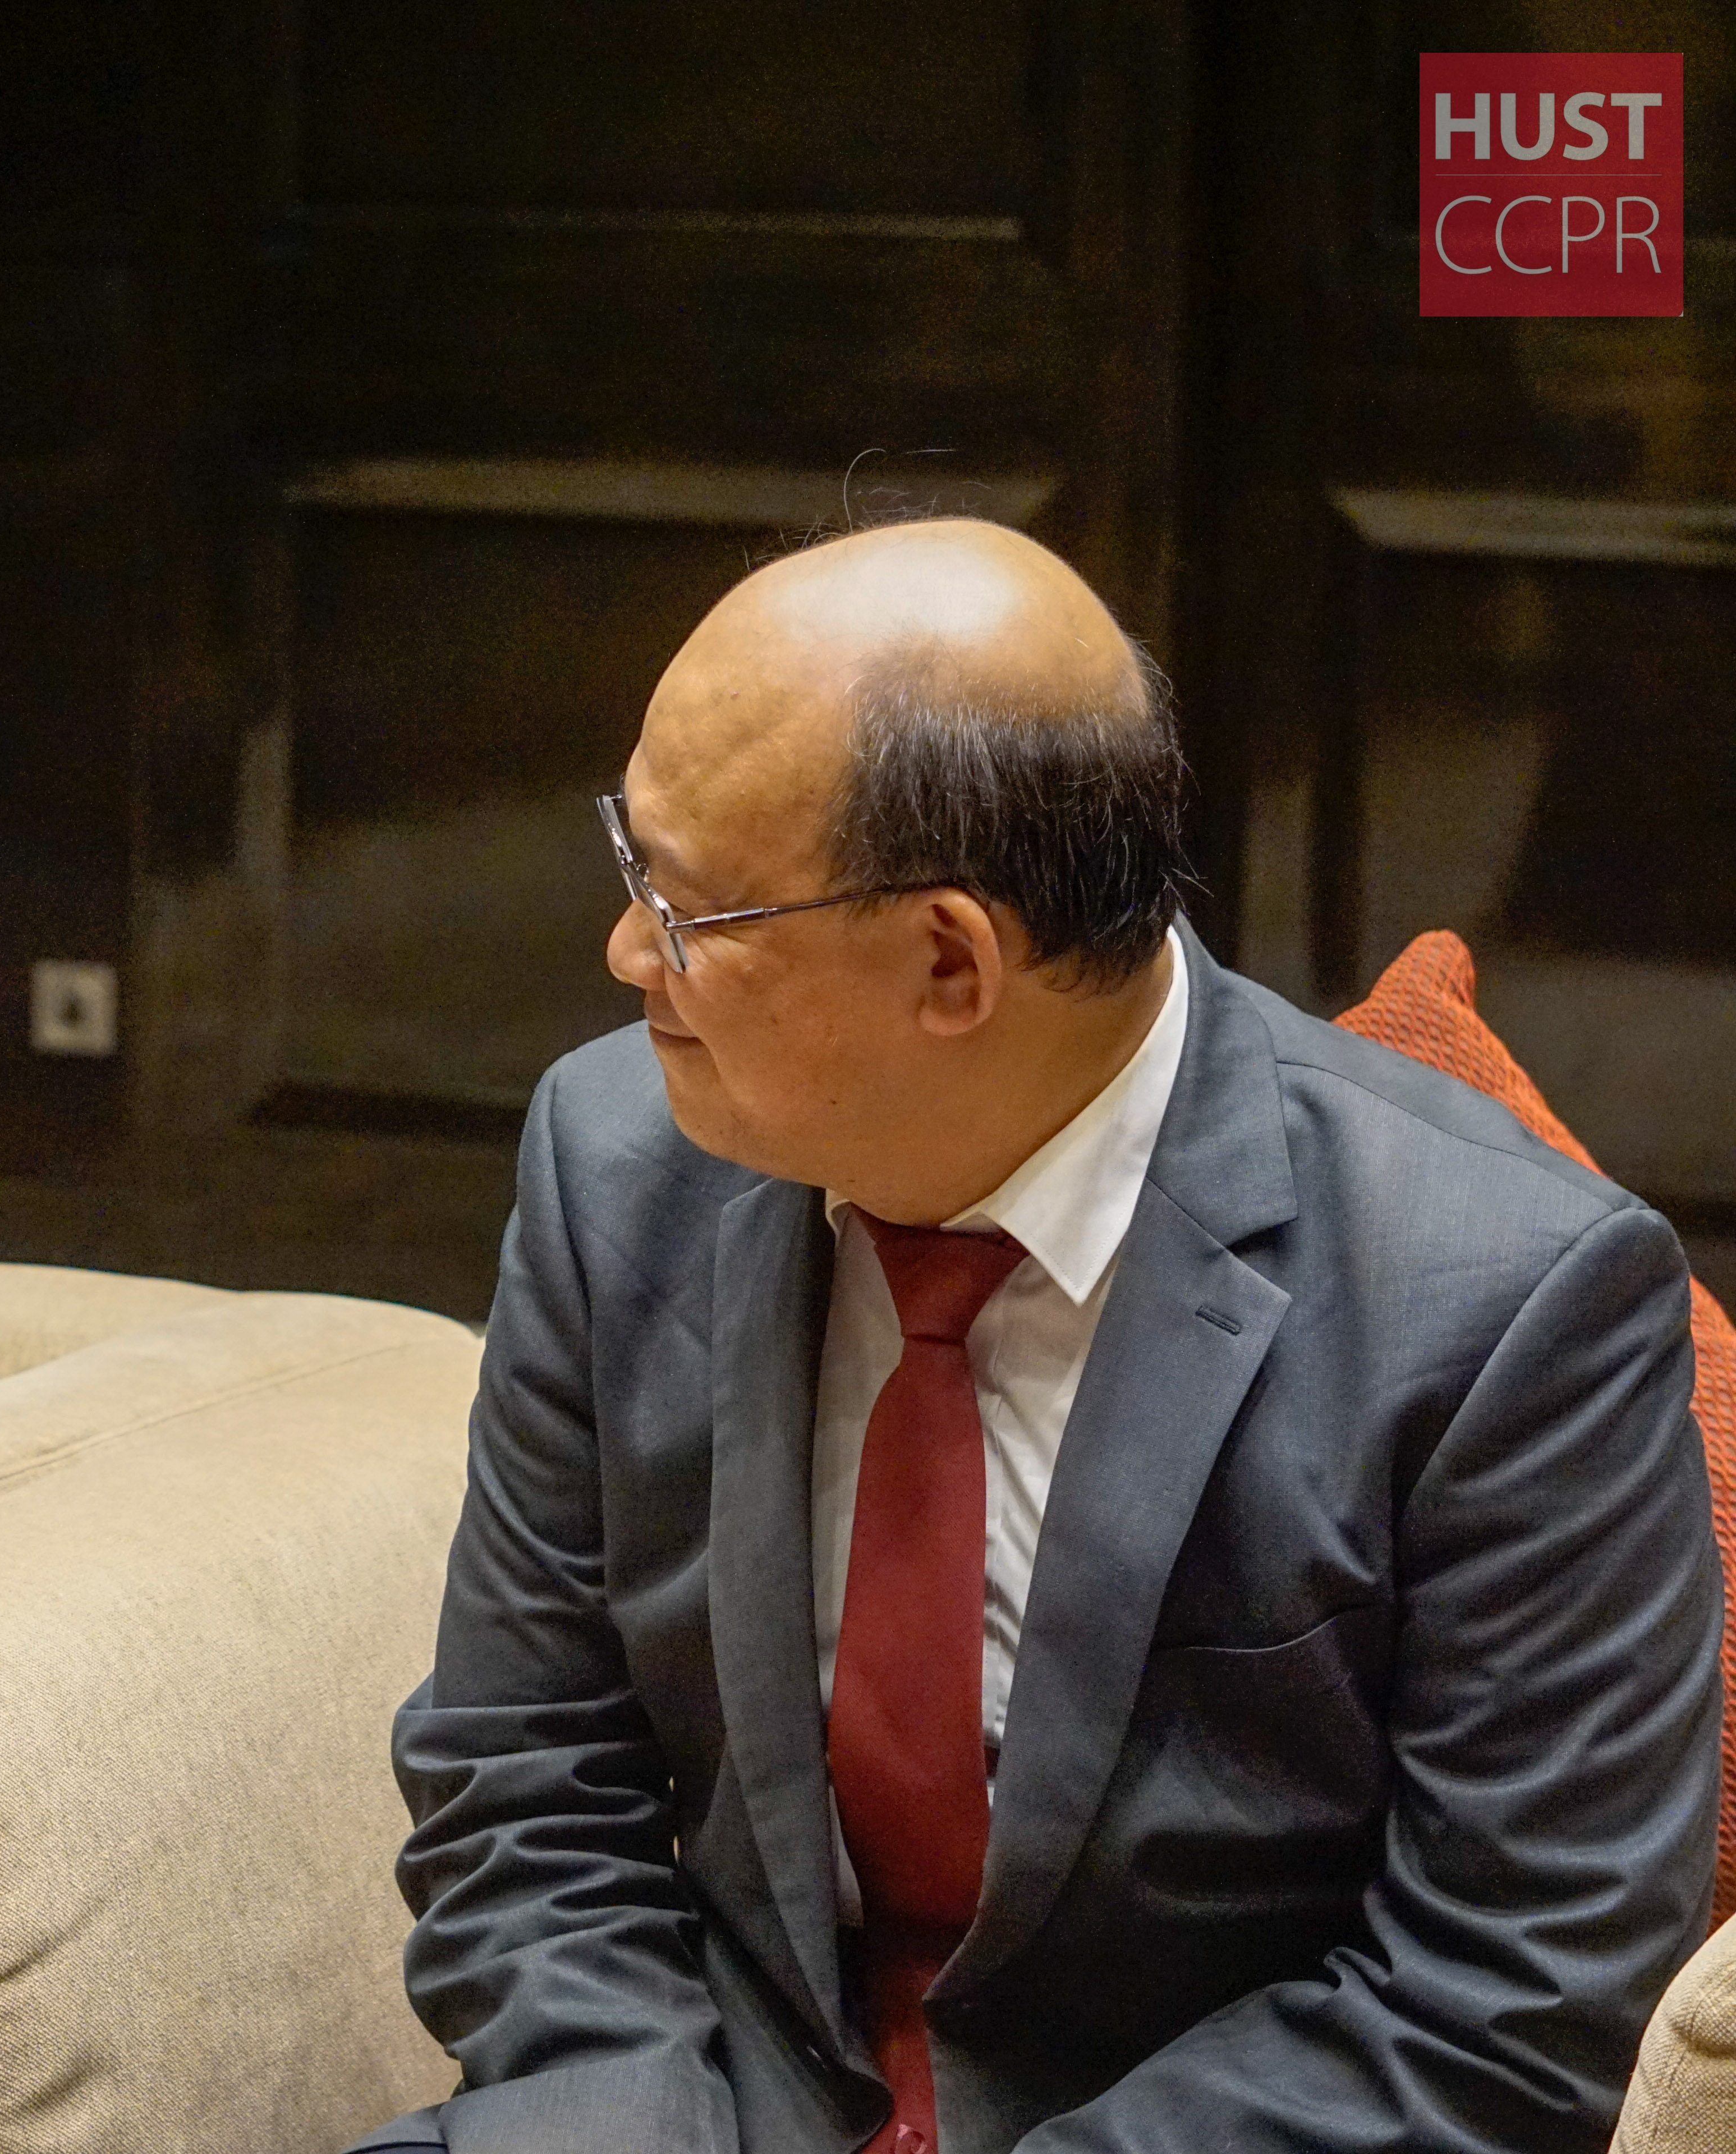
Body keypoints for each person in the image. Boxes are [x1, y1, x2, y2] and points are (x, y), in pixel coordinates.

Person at [354, 519, 1719, 2153]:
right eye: (629, 860)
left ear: (951, 962)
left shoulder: (1510, 1302)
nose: (626, 951)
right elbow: (526, 1774)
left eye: (687, 907)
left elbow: (1505, 2005)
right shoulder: (620, 1162)